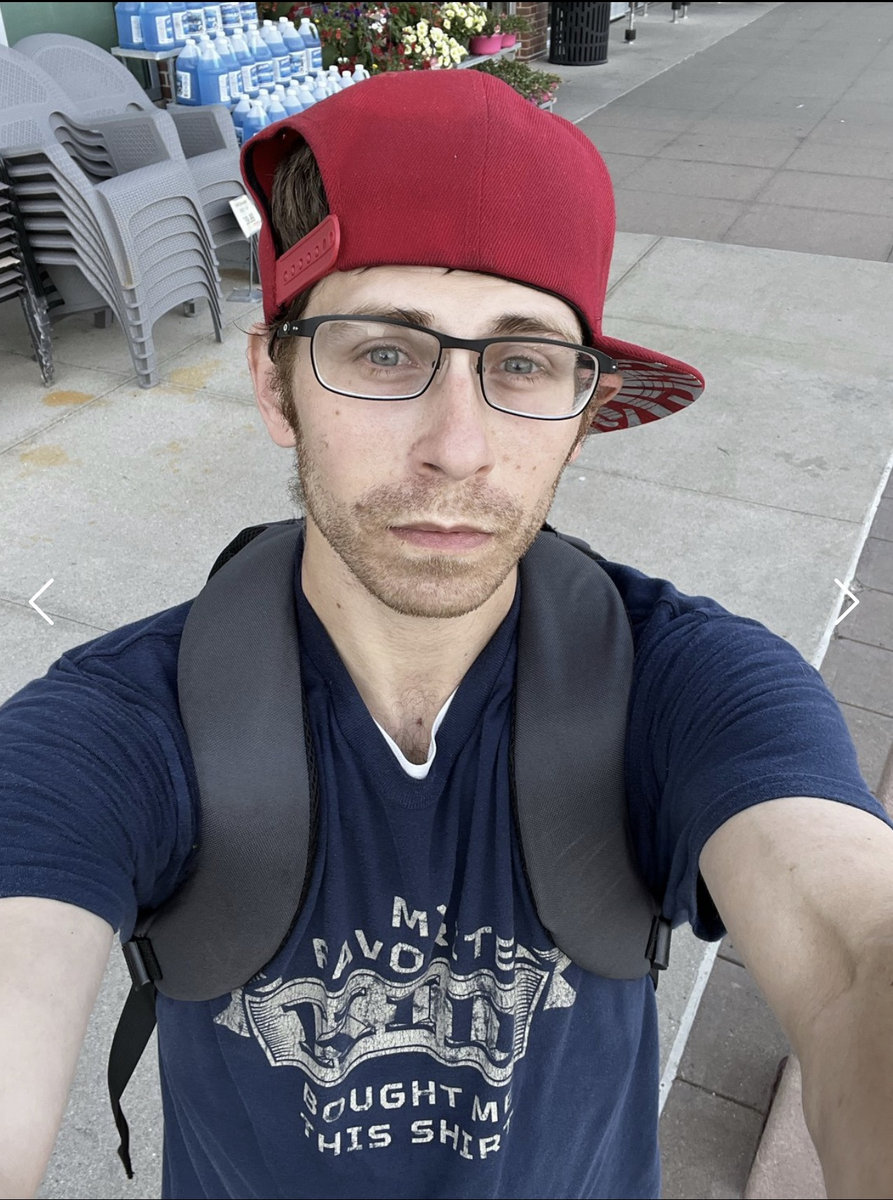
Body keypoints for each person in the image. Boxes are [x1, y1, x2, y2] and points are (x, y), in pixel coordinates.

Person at [1, 69, 892, 1200]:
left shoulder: (689, 686)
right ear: (275, 387)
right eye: (383, 351)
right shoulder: (118, 727)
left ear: (581, 415)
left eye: (521, 363)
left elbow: (856, 949)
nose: (457, 448)